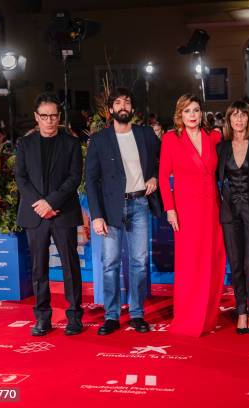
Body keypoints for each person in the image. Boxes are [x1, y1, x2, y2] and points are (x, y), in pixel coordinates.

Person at [85, 87, 160, 335]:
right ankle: (112, 315)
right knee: (110, 263)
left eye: (127, 101)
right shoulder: (99, 140)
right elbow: (91, 179)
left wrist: (155, 177)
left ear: (132, 108)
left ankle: (137, 314)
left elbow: (163, 159)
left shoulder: (146, 134)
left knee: (139, 262)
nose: (123, 106)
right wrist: (96, 215)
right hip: (110, 208)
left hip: (140, 204)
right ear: (110, 110)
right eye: (118, 102)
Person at [14, 93, 83, 336]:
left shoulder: (72, 143)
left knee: (70, 266)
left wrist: (51, 202)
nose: (50, 121)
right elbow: (20, 177)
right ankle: (42, 317)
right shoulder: (25, 144)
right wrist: (40, 204)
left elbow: (74, 177)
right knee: (38, 268)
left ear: (59, 117)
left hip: (63, 211)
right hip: (35, 214)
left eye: (54, 116)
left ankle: (74, 316)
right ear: (36, 117)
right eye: (45, 116)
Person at [159, 94, 226, 337]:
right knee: (189, 264)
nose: (193, 115)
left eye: (196, 110)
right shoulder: (170, 139)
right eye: (187, 111)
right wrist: (170, 209)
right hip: (185, 211)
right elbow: (164, 177)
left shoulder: (213, 137)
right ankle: (188, 317)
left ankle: (208, 317)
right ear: (180, 114)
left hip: (212, 209)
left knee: (212, 261)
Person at [217, 100, 249, 335]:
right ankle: (241, 310)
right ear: (229, 120)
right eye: (234, 116)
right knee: (236, 263)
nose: (239, 120)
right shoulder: (222, 147)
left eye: (243, 116)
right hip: (229, 210)